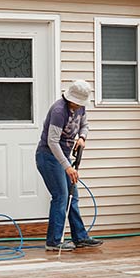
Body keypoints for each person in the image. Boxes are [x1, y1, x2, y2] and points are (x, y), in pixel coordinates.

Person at [34, 80, 102, 252]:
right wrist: (67, 166)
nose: (79, 106)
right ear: (70, 97)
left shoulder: (80, 107)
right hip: (48, 157)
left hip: (63, 158)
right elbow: (52, 141)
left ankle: (80, 237)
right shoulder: (59, 111)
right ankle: (54, 241)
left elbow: (85, 125)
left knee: (73, 196)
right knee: (61, 196)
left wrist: (82, 137)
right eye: (77, 102)